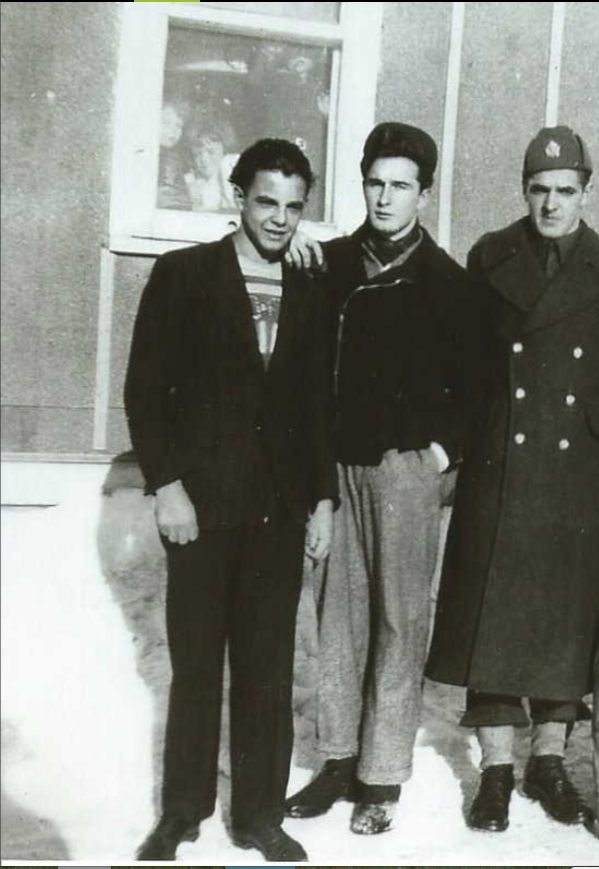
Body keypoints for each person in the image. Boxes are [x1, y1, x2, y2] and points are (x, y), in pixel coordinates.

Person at [424, 125, 599, 833]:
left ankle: (548, 761)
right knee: (495, 620)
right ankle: (496, 768)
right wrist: (453, 453)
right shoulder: (491, 257)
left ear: (587, 192)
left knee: (563, 624)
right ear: (523, 191)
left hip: (580, 473)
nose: (550, 203)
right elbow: (464, 367)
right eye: (538, 190)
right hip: (503, 462)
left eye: (564, 191)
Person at [125, 138, 337, 862]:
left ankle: (259, 814)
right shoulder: (184, 275)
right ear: (236, 198)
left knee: (267, 668)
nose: (279, 219)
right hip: (202, 509)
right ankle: (181, 810)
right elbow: (146, 391)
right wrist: (169, 485)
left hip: (277, 511)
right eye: (266, 202)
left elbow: (316, 406)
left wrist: (323, 500)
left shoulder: (311, 284)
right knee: (194, 667)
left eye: (293, 207)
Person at [281, 122, 478, 836]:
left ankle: (382, 772)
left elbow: (475, 385)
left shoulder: (446, 282)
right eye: (374, 182)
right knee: (337, 615)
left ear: (423, 194)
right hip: (337, 465)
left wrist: (434, 454)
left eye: (400, 185)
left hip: (402, 475)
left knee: (400, 621)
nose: (385, 197)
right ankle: (337, 758)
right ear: (361, 185)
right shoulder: (328, 265)